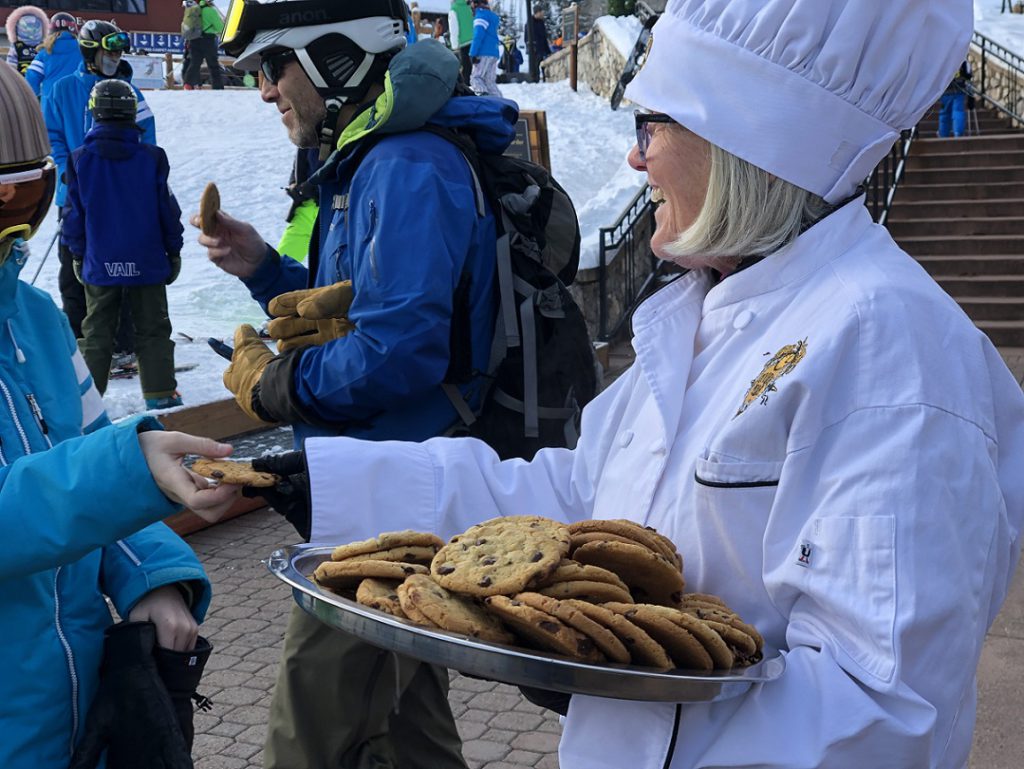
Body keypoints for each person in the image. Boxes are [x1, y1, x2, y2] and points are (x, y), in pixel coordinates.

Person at [247, 1, 1024, 767]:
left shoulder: (893, 357)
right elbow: (578, 505)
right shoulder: (704, 314)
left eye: (650, 124)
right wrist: (322, 484)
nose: (635, 157)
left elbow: (880, 719)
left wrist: (620, 683)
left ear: (747, 141)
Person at [202, 1, 511, 766]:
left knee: (307, 735)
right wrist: (265, 271)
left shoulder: (404, 166)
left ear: (334, 60)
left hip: (389, 498)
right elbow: (356, 311)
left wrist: (276, 385)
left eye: (274, 68)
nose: (267, 91)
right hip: (386, 480)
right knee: (413, 729)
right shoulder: (370, 157)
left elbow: (398, 352)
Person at [0, 60, 241, 769]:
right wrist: (130, 468)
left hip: (73, 716)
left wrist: (151, 573)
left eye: (26, 200)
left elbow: (93, 446)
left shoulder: (35, 319)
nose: (13, 235)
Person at [63, 79, 185, 410]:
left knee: (97, 332)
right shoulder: (152, 157)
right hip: (146, 261)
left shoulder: (80, 160)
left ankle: (86, 403)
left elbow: (74, 215)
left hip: (100, 261)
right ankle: (160, 393)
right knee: (153, 329)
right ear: (132, 113)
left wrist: (76, 253)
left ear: (94, 114)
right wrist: (174, 250)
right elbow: (167, 210)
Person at [44, 19, 151, 352]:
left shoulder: (129, 92)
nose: (116, 58)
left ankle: (123, 342)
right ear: (90, 51)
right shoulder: (63, 89)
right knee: (73, 270)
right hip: (75, 196)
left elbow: (148, 139)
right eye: (110, 51)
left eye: (119, 52)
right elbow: (52, 137)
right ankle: (80, 341)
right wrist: (65, 169)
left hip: (117, 198)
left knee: (118, 268)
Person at [25, 12, 80, 106]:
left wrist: (32, 101)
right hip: (77, 101)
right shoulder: (83, 51)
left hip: (50, 103)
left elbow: (31, 79)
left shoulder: (45, 53)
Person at [276, 146, 319, 263]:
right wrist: (294, 183)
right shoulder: (309, 130)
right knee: (280, 267)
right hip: (305, 208)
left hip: (336, 213)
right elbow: (300, 158)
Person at [183, 0, 225, 90]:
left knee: (195, 63)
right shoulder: (210, 11)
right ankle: (217, 87)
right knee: (213, 64)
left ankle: (188, 84)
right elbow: (220, 28)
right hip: (208, 40)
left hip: (194, 40)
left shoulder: (195, 10)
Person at [468, 0, 500, 97]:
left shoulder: (481, 16)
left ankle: (484, 99)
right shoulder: (491, 16)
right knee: (489, 82)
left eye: (470, 3)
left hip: (483, 53)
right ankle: (501, 104)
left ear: (475, 3)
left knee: (476, 78)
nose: (470, 6)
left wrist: (472, 53)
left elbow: (478, 35)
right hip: (493, 53)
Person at [4, 5, 47, 74]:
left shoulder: (44, 47)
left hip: (40, 82)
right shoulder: (17, 47)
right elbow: (10, 69)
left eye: (34, 27)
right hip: (21, 82)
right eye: (28, 27)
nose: (31, 30)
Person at [939, 59, 973, 138]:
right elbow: (969, 75)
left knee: (944, 114)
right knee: (958, 112)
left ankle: (943, 135)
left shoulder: (944, 59)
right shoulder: (963, 60)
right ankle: (958, 133)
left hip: (946, 91)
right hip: (959, 90)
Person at [448, 0, 474, 83]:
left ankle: (467, 88)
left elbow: (454, 29)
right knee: (473, 69)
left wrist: (454, 46)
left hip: (464, 43)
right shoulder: (469, 7)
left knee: (466, 70)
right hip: (474, 41)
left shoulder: (454, 9)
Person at [180, 0, 203, 88]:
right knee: (193, 64)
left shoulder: (191, 14)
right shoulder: (196, 13)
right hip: (194, 40)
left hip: (191, 41)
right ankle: (196, 84)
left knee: (189, 64)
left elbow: (189, 28)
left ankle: (189, 85)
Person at [527, 3, 551, 82]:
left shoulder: (541, 22)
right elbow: (527, 37)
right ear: (537, 12)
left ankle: (544, 79)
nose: (542, 14)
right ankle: (535, 80)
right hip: (534, 49)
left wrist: (547, 50)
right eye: (541, 12)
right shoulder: (530, 23)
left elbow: (544, 37)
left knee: (544, 66)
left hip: (542, 48)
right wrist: (531, 46)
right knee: (535, 66)